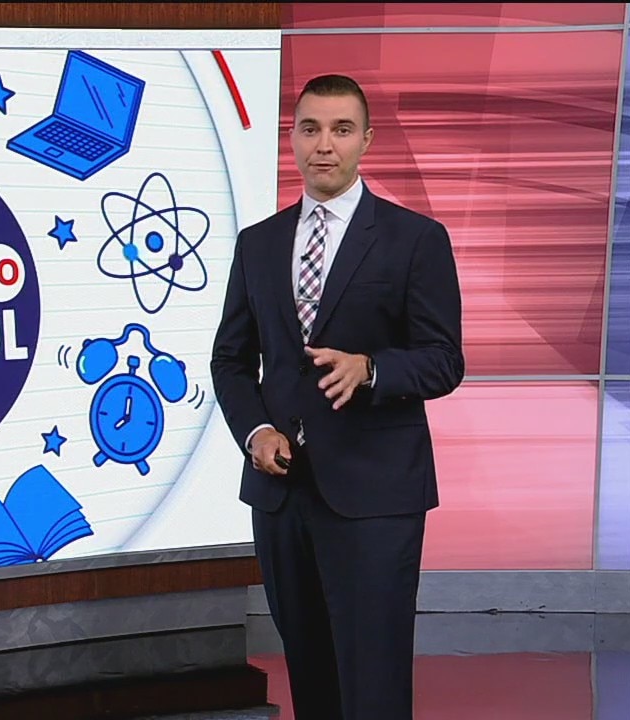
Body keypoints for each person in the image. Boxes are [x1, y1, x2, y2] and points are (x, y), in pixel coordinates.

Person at [210, 74, 465, 720]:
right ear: (292, 138)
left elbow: (444, 361)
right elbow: (230, 360)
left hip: (376, 495)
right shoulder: (258, 244)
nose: (324, 144)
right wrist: (255, 432)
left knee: (373, 680)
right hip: (282, 495)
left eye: (341, 130)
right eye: (311, 129)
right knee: (310, 674)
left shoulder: (416, 240)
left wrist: (372, 370)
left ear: (366, 140)